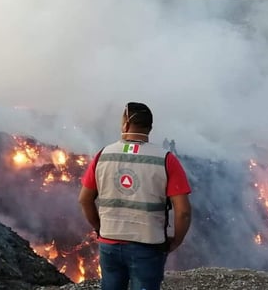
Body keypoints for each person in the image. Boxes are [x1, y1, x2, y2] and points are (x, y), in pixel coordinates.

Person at [78, 102, 192, 290]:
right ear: (150, 128)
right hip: (148, 245)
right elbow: (183, 212)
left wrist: (101, 228)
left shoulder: (103, 156)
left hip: (109, 244)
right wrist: (176, 240)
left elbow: (84, 199)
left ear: (125, 125)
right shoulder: (166, 159)